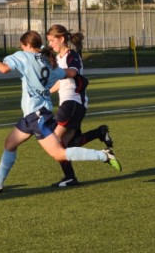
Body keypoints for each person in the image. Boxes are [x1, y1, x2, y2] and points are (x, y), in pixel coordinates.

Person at [0, 31, 121, 194]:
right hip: (33, 114)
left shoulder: (23, 56)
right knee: (10, 144)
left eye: (22, 46)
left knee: (59, 154)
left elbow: (4, 69)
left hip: (37, 115)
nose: (21, 49)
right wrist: (80, 79)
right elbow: (68, 73)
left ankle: (103, 155)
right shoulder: (48, 61)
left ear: (28, 45)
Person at [46, 24, 113, 188]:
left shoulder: (72, 55)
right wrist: (45, 92)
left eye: (52, 40)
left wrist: (55, 72)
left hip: (73, 102)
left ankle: (99, 156)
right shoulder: (59, 58)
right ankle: (98, 133)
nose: (50, 44)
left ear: (61, 39)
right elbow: (61, 83)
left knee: (54, 141)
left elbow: (72, 72)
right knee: (67, 145)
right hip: (70, 104)